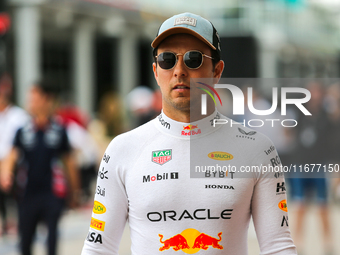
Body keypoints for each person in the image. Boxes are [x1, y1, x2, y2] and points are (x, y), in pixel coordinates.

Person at [81, 12, 297, 254]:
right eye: (167, 59)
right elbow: (98, 248)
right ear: (155, 70)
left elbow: (278, 247)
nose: (179, 70)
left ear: (217, 71)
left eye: (193, 59)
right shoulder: (122, 150)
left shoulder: (257, 149)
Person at [0, 81, 80, 255]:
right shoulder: (23, 130)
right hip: (27, 194)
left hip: (52, 194)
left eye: (35, 97)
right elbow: (12, 155)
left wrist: (74, 191)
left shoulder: (59, 130)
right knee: (25, 242)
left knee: (52, 241)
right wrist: (6, 174)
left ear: (47, 99)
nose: (31, 102)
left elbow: (69, 162)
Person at [0, 74, 28, 235]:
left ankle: (18, 220)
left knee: (15, 191)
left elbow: (18, 146)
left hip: (15, 162)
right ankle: (4, 221)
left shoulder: (18, 115)